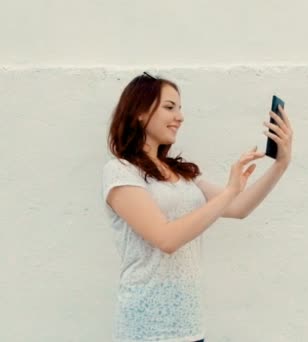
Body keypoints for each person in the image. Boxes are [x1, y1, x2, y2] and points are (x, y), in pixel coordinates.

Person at [101, 72, 293, 342]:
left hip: (189, 326)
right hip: (145, 330)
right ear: (140, 113)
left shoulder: (182, 172)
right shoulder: (121, 171)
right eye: (169, 107)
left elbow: (238, 207)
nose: (180, 116)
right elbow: (166, 238)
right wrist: (229, 192)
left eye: (180, 108)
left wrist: (281, 164)